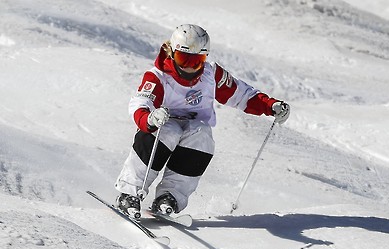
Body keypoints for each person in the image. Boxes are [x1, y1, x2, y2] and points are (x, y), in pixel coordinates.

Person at [114, 24, 290, 218]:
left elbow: (242, 95)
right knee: (167, 131)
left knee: (202, 136)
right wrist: (150, 119)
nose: (190, 66)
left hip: (193, 128)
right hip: (162, 124)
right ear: (172, 53)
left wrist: (270, 105)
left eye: (197, 61)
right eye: (184, 59)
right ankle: (129, 194)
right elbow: (140, 103)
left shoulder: (211, 75)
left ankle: (169, 197)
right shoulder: (158, 76)